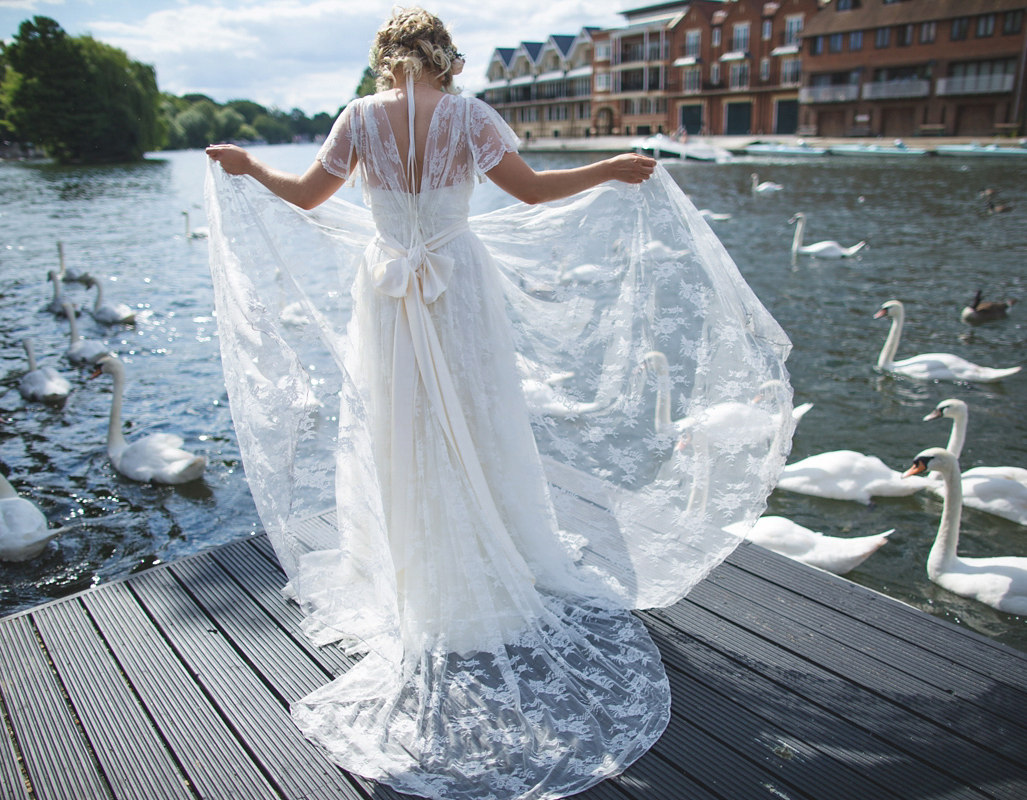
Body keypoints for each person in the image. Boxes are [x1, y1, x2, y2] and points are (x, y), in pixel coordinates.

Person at [205, 7, 793, 800]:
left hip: (385, 292)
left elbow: (308, 197)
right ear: (446, 59)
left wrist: (247, 165)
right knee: (479, 420)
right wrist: (611, 168)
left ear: (386, 61)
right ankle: (496, 548)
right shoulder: (470, 117)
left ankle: (420, 570)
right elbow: (534, 190)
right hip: (459, 287)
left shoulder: (358, 118)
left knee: (402, 424)